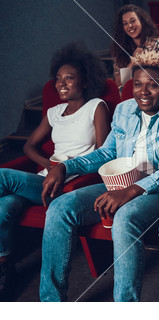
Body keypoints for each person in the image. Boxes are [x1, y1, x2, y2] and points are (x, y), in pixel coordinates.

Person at [39, 49, 159, 302]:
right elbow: (107, 152)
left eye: (152, 85)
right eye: (137, 84)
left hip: (153, 191)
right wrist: (67, 166)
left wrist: (133, 190)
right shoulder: (124, 111)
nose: (143, 92)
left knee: (123, 218)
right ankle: (51, 302)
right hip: (117, 183)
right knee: (59, 208)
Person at [0, 42, 110, 301]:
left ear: (84, 81)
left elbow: (104, 155)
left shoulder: (96, 106)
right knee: (3, 208)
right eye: (58, 79)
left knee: (2, 176)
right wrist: (50, 165)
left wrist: (65, 168)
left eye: (69, 78)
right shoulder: (53, 112)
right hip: (45, 180)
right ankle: (5, 268)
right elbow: (29, 145)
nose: (61, 83)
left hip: (73, 183)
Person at [111, 4, 159, 88]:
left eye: (132, 21)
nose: (130, 26)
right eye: (125, 23)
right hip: (127, 94)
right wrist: (132, 63)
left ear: (142, 21)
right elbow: (118, 84)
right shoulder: (120, 49)